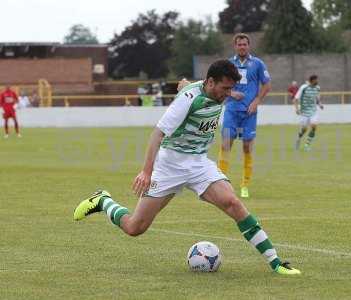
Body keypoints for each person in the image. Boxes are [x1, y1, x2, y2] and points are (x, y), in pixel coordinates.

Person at [73, 59, 301, 276]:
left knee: (233, 203)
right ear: (210, 82)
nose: (227, 94)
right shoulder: (188, 99)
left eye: (231, 89)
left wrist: (222, 91)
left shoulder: (214, 90)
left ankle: (276, 262)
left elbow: (195, 85)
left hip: (199, 164)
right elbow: (157, 134)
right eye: (225, 88)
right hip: (169, 166)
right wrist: (146, 171)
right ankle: (103, 200)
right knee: (135, 228)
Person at [177, 33, 272, 199]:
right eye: (239, 44)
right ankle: (221, 181)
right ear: (235, 46)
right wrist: (232, 93)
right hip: (231, 111)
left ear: (248, 46)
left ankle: (245, 185)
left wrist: (256, 101)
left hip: (249, 112)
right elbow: (217, 85)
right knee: (226, 145)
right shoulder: (229, 64)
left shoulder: (257, 64)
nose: (242, 47)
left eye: (245, 44)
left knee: (247, 148)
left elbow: (267, 85)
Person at [293, 75, 324, 151]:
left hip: (313, 111)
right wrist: (297, 109)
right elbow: (295, 99)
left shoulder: (317, 88)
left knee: (314, 126)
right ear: (311, 80)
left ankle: (307, 145)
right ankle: (298, 138)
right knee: (304, 129)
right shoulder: (303, 88)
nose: (317, 81)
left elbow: (317, 98)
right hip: (304, 112)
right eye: (316, 80)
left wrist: (320, 104)